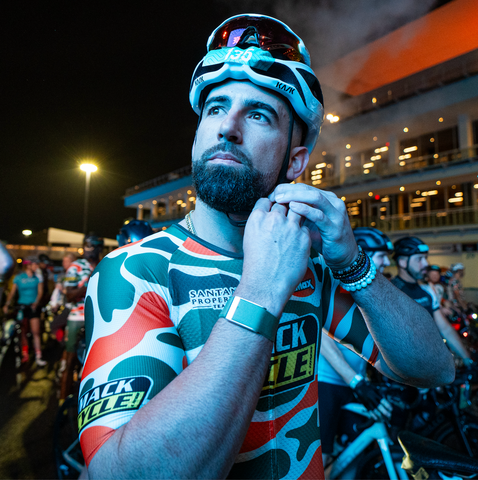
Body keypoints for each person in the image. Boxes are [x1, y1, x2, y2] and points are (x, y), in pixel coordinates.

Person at [79, 15, 454, 479]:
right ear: (198, 136)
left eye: (258, 114)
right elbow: (117, 474)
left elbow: (434, 369)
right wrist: (260, 294)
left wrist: (353, 264)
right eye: (215, 108)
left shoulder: (308, 265)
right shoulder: (135, 271)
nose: (228, 127)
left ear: (295, 160)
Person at [318, 227, 393, 467]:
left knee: (352, 456)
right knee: (323, 459)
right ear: (363, 255)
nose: (387, 261)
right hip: (326, 384)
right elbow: (322, 338)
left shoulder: (368, 291)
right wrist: (356, 381)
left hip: (355, 382)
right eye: (381, 255)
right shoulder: (335, 285)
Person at [392, 237, 472, 366]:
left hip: (431, 364)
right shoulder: (391, 293)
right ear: (402, 262)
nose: (425, 264)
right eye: (419, 259)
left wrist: (467, 359)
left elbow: (445, 328)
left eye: (425, 258)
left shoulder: (427, 291)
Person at [59, 235, 103, 404]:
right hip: (77, 317)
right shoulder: (76, 266)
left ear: (99, 247)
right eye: (85, 246)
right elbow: (69, 295)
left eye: (92, 246)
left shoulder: (104, 263)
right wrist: (88, 283)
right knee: (69, 361)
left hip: (98, 318)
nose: (87, 249)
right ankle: (61, 401)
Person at [3, 256, 46, 366]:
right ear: (28, 265)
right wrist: (7, 304)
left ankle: (38, 355)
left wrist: (36, 302)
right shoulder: (19, 277)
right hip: (22, 306)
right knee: (23, 332)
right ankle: (25, 354)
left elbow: (40, 292)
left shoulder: (38, 277)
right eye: (35, 264)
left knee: (36, 332)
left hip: (33, 307)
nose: (37, 266)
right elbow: (12, 292)